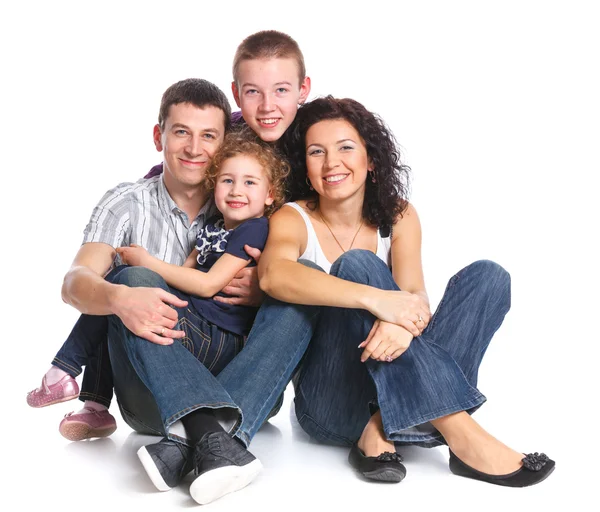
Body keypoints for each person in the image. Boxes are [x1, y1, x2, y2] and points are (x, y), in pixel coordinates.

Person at [256, 95, 555, 488]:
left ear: (371, 160)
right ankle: (458, 431)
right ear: (305, 166)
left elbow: (415, 297)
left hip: (395, 391)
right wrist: (378, 301)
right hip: (330, 406)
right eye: (317, 152)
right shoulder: (293, 217)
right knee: (358, 266)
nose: (332, 163)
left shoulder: (398, 215)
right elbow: (273, 276)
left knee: (489, 277)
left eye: (346, 148)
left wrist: (400, 322)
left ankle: (380, 428)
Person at [28, 28, 311, 438]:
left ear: (226, 143)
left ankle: (202, 432)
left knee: (297, 289)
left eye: (209, 136)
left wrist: (267, 284)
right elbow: (74, 283)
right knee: (132, 279)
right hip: (151, 395)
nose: (195, 149)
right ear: (159, 137)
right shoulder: (127, 202)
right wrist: (119, 298)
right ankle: (206, 430)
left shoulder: (242, 204)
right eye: (181, 132)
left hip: (237, 374)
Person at [145, 29, 311, 179]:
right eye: (252, 91)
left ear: (303, 90)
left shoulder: (316, 130)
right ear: (236, 94)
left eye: (281, 90)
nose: (267, 107)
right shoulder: (226, 130)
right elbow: (166, 170)